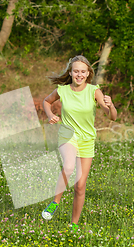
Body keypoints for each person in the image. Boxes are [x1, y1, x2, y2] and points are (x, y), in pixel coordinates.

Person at [41, 55, 117, 232]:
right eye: (76, 71)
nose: (79, 74)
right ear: (70, 72)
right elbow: (46, 101)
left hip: (87, 139)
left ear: (88, 73)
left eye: (83, 71)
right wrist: (50, 115)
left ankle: (74, 225)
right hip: (68, 135)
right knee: (68, 166)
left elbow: (112, 117)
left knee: (80, 186)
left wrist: (111, 105)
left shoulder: (94, 91)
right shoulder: (63, 90)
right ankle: (55, 202)